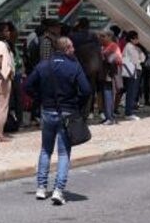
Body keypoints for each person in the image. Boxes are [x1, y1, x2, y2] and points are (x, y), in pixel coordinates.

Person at [25, 36, 91, 207]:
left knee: (45, 149)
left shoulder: (43, 65)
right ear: (67, 48)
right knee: (63, 153)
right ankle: (58, 190)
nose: (74, 50)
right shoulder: (74, 66)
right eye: (72, 47)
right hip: (67, 112)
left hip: (47, 111)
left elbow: (27, 86)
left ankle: (41, 187)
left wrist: (39, 98)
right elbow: (86, 90)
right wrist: (77, 104)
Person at [96, 30, 122, 125]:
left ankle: (110, 117)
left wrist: (104, 56)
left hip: (110, 75)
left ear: (109, 37)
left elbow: (115, 60)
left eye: (103, 36)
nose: (100, 38)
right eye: (100, 36)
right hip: (104, 74)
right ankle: (108, 116)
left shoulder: (113, 46)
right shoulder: (103, 46)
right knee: (105, 95)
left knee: (109, 95)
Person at [121, 31, 145, 120]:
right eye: (136, 38)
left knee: (133, 91)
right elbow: (137, 59)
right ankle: (129, 112)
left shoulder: (136, 47)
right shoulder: (129, 47)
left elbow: (143, 58)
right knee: (131, 91)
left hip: (135, 70)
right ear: (131, 39)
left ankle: (130, 110)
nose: (138, 40)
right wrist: (139, 57)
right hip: (132, 71)